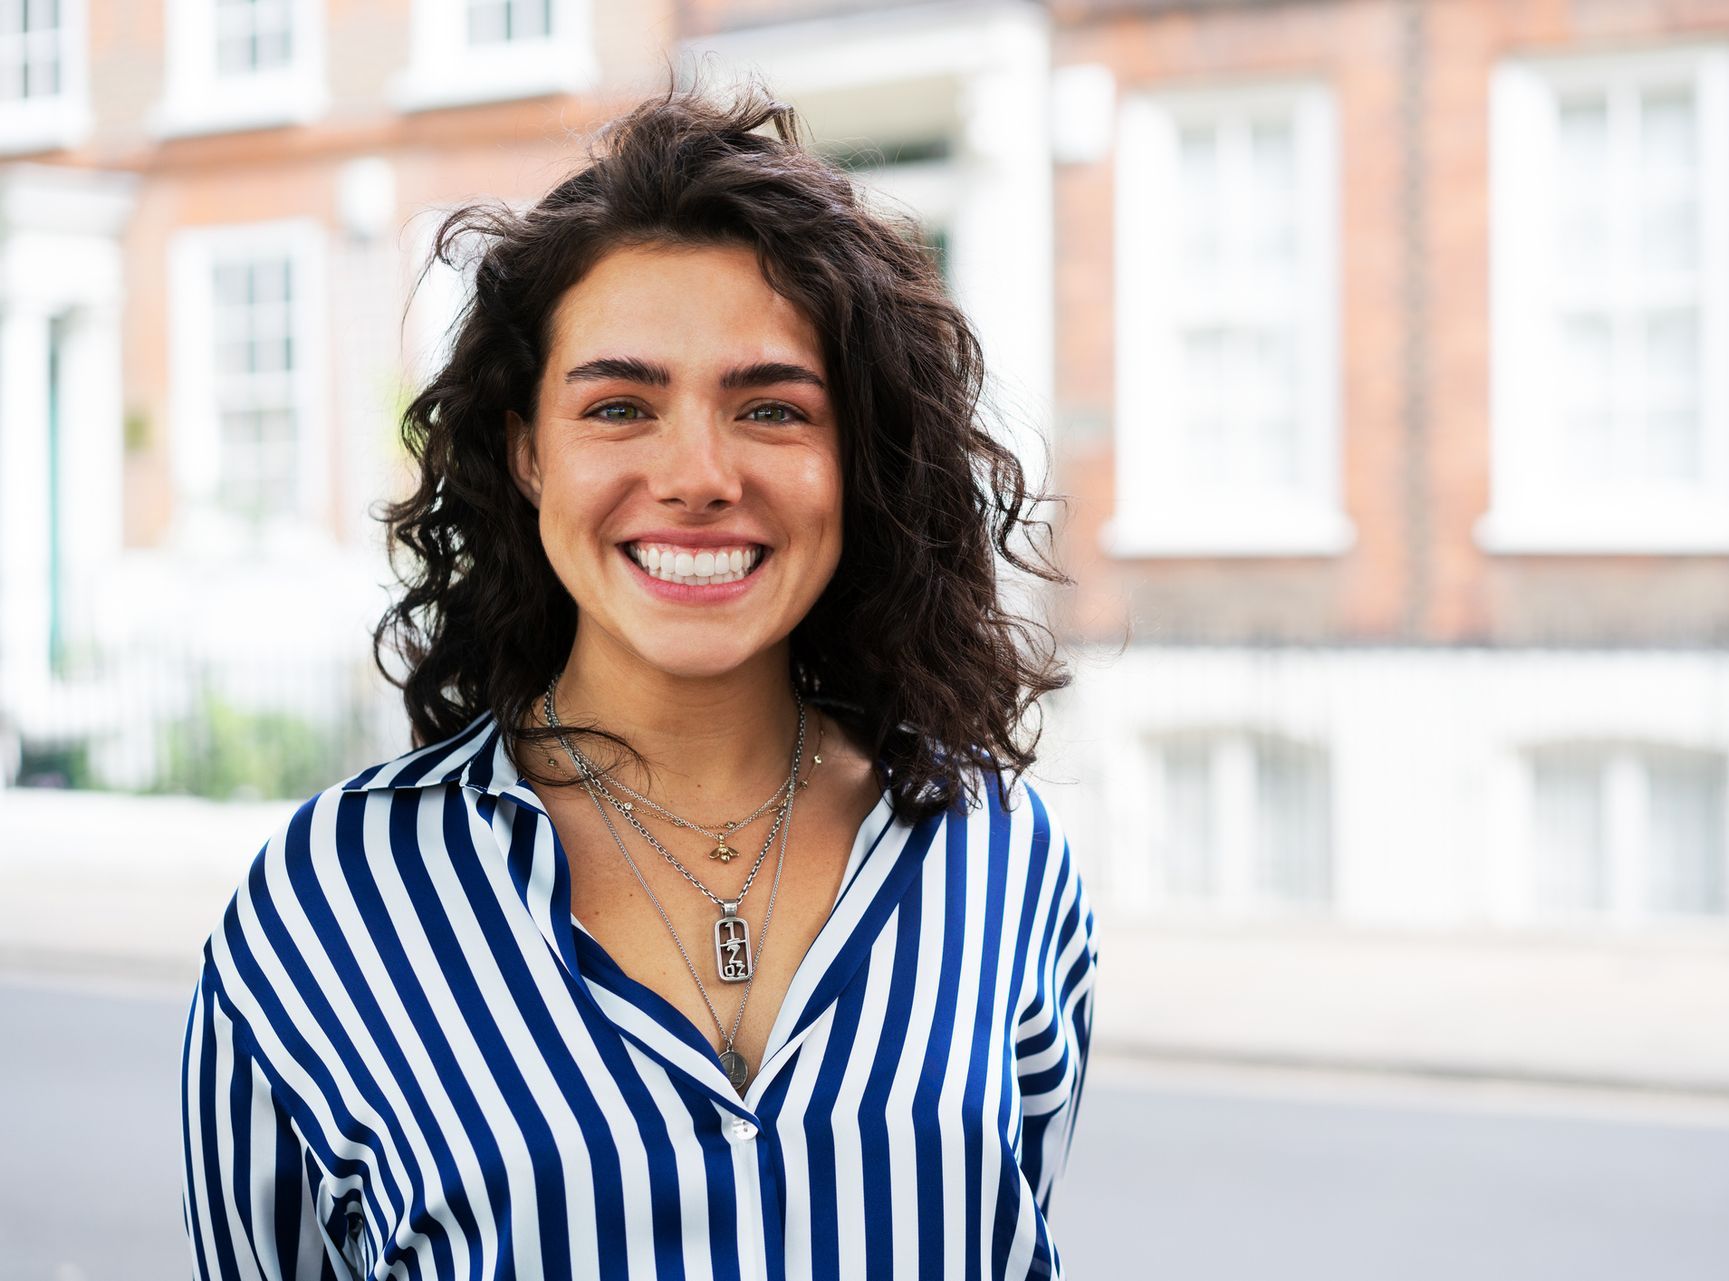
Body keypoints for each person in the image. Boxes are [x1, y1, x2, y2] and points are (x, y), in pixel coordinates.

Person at [179, 76, 1098, 1279]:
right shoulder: (327, 912)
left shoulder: (1001, 863)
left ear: (853, 459)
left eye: (771, 408)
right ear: (525, 454)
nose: (699, 474)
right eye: (619, 405)